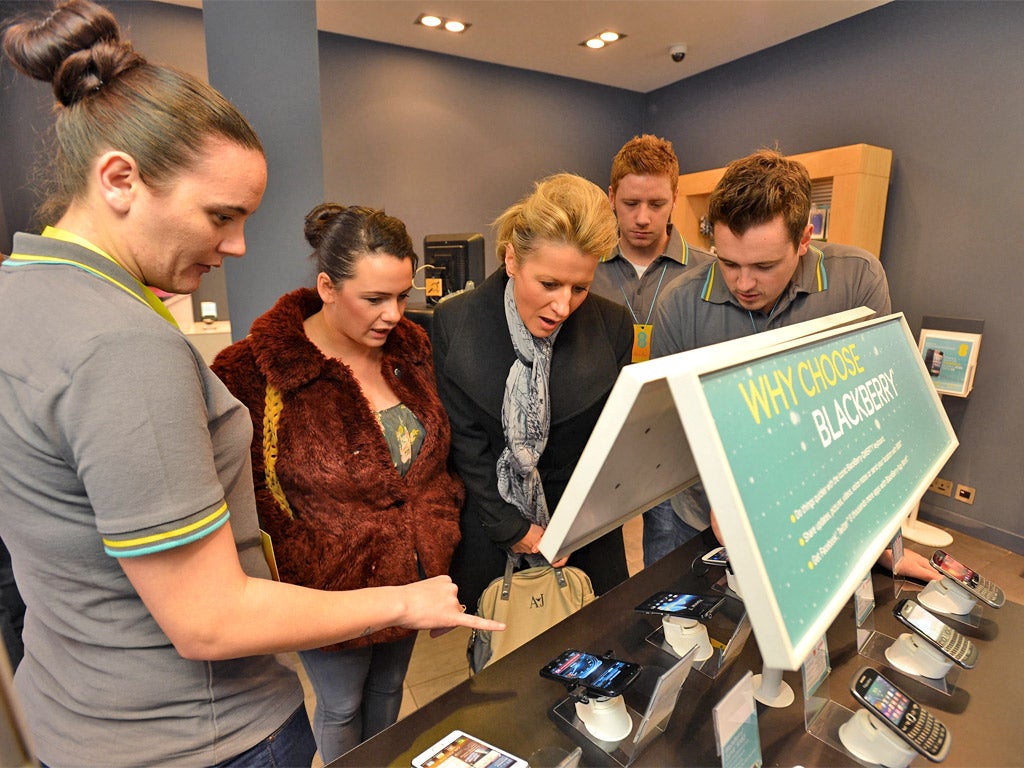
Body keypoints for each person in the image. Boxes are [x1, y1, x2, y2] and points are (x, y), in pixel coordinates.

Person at [0, 3, 500, 766]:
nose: (236, 246)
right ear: (120, 178)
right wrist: (406, 598)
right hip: (195, 736)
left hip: (75, 713)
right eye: (220, 216)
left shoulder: (21, 292)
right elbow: (208, 618)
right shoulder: (123, 347)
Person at [211, 203, 463, 762]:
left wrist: (435, 539)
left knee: (389, 689)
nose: (395, 313)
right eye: (374, 298)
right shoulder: (252, 372)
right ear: (326, 286)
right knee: (343, 705)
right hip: (328, 586)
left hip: (411, 572)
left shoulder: (412, 353)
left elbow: (435, 463)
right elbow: (246, 493)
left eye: (402, 295)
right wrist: (308, 558)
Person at [651, 148, 937, 581]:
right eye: (728, 262)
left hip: (819, 511)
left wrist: (882, 535)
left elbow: (873, 413)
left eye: (764, 265)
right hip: (705, 519)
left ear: (805, 239)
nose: (743, 283)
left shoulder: (857, 280)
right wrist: (728, 496)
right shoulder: (679, 303)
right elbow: (674, 426)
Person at [433, 173, 633, 611]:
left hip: (583, 531)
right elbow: (467, 446)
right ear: (511, 260)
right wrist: (512, 528)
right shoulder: (454, 322)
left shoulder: (613, 326)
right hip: (494, 526)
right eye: (548, 284)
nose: (563, 306)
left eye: (580, 288)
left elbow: (610, 444)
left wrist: (572, 527)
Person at [590, 134, 714, 567]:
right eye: (630, 203)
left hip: (672, 438)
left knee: (669, 558)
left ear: (675, 200)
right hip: (598, 432)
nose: (643, 217)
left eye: (657, 204)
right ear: (611, 197)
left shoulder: (708, 273)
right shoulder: (585, 269)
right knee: (593, 559)